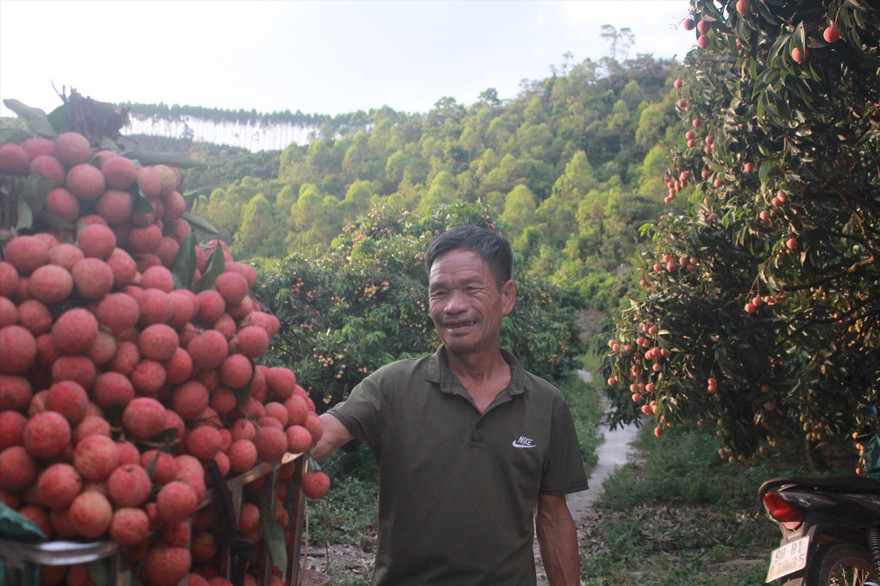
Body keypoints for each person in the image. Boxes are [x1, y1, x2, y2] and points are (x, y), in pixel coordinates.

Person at [311, 225, 589, 585]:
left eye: (472, 289)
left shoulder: (545, 403)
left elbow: (553, 517)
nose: (453, 306)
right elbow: (321, 435)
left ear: (507, 297)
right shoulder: (392, 386)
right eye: (439, 292)